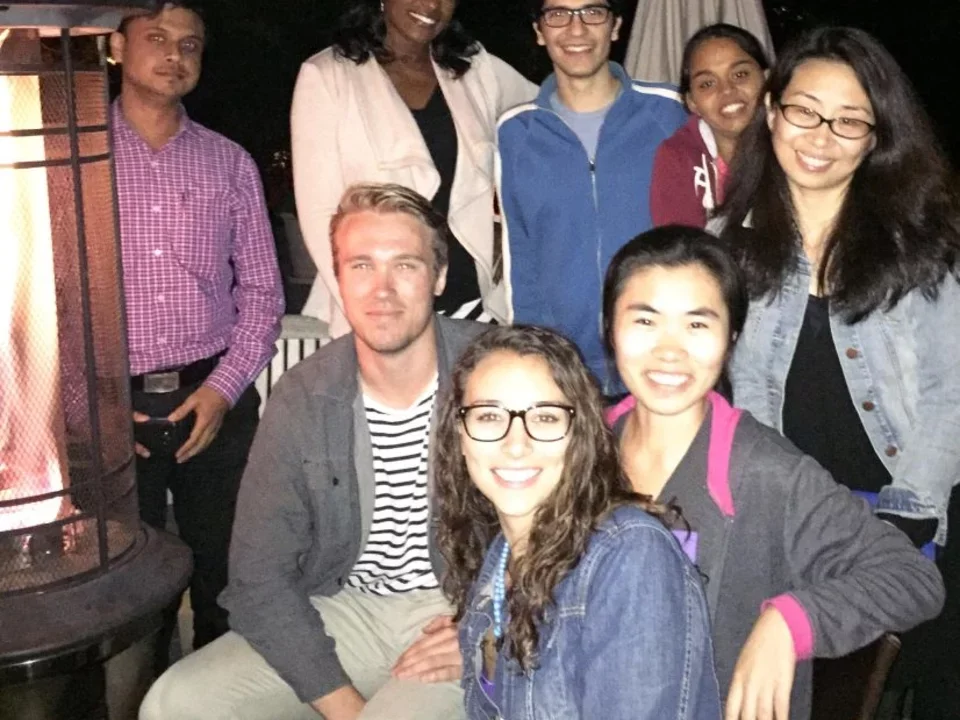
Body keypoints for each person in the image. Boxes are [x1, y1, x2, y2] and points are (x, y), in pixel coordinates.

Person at [139, 183, 485, 720]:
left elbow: (571, 526)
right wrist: (340, 704)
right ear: (338, 278)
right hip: (343, 606)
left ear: (439, 277)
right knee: (174, 702)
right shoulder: (304, 396)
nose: (382, 290)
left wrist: (495, 621)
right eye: (362, 266)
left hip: (459, 612)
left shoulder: (497, 371)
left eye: (406, 266)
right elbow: (258, 577)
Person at [715, 26, 960, 718]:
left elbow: (950, 396)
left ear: (876, 136)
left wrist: (904, 523)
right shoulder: (723, 249)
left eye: (850, 120)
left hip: (918, 508)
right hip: (797, 520)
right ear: (771, 111)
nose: (822, 135)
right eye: (805, 110)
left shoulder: (926, 245)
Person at [602, 226, 945, 720]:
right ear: (610, 328)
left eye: (698, 325)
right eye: (645, 321)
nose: (669, 351)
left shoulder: (766, 473)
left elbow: (913, 579)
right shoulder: (576, 449)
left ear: (732, 337)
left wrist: (792, 620)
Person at [109, 1, 284, 667]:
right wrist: (87, 402)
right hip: (110, 407)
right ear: (117, 49)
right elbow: (46, 300)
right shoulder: (73, 154)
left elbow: (264, 292)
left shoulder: (228, 161)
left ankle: (217, 699)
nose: (175, 55)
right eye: (156, 38)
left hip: (214, 396)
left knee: (228, 572)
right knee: (127, 588)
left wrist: (224, 388)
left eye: (190, 44)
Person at [433, 325, 721, 719]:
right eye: (488, 416)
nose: (516, 444)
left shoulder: (630, 557)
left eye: (546, 418)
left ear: (579, 434)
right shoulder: (497, 558)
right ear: (459, 436)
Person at [292, 0, 535, 337]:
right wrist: (371, 311)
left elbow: (547, 111)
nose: (431, 5)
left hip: (473, 304)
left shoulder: (474, 68)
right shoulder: (328, 75)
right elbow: (319, 217)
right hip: (382, 307)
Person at [497, 0, 687, 394]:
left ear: (615, 26)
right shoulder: (515, 132)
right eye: (558, 14)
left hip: (664, 356)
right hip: (568, 369)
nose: (576, 29)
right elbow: (521, 258)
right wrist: (535, 356)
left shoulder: (670, 113)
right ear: (539, 30)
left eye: (592, 12)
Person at [650, 24, 769, 228]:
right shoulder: (679, 156)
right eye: (707, 84)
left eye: (740, 74)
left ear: (767, 79)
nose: (727, 90)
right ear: (692, 102)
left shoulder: (795, 145)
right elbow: (679, 251)